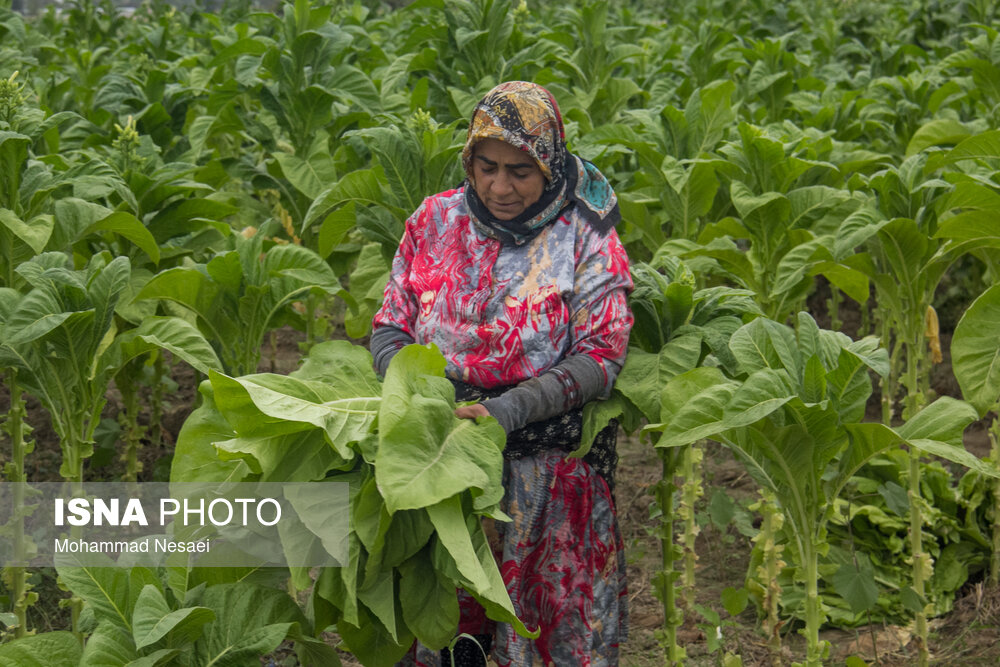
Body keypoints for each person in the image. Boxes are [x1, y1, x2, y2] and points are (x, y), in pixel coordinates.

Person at [370, 81, 633, 667]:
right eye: (486, 167)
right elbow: (390, 324)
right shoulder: (434, 219)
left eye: (520, 171)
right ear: (469, 159)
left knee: (543, 641)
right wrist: (412, 390)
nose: (499, 187)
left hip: (544, 474)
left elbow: (601, 355)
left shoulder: (584, 234)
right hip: (438, 461)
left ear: (549, 163)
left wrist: (506, 410)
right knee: (443, 634)